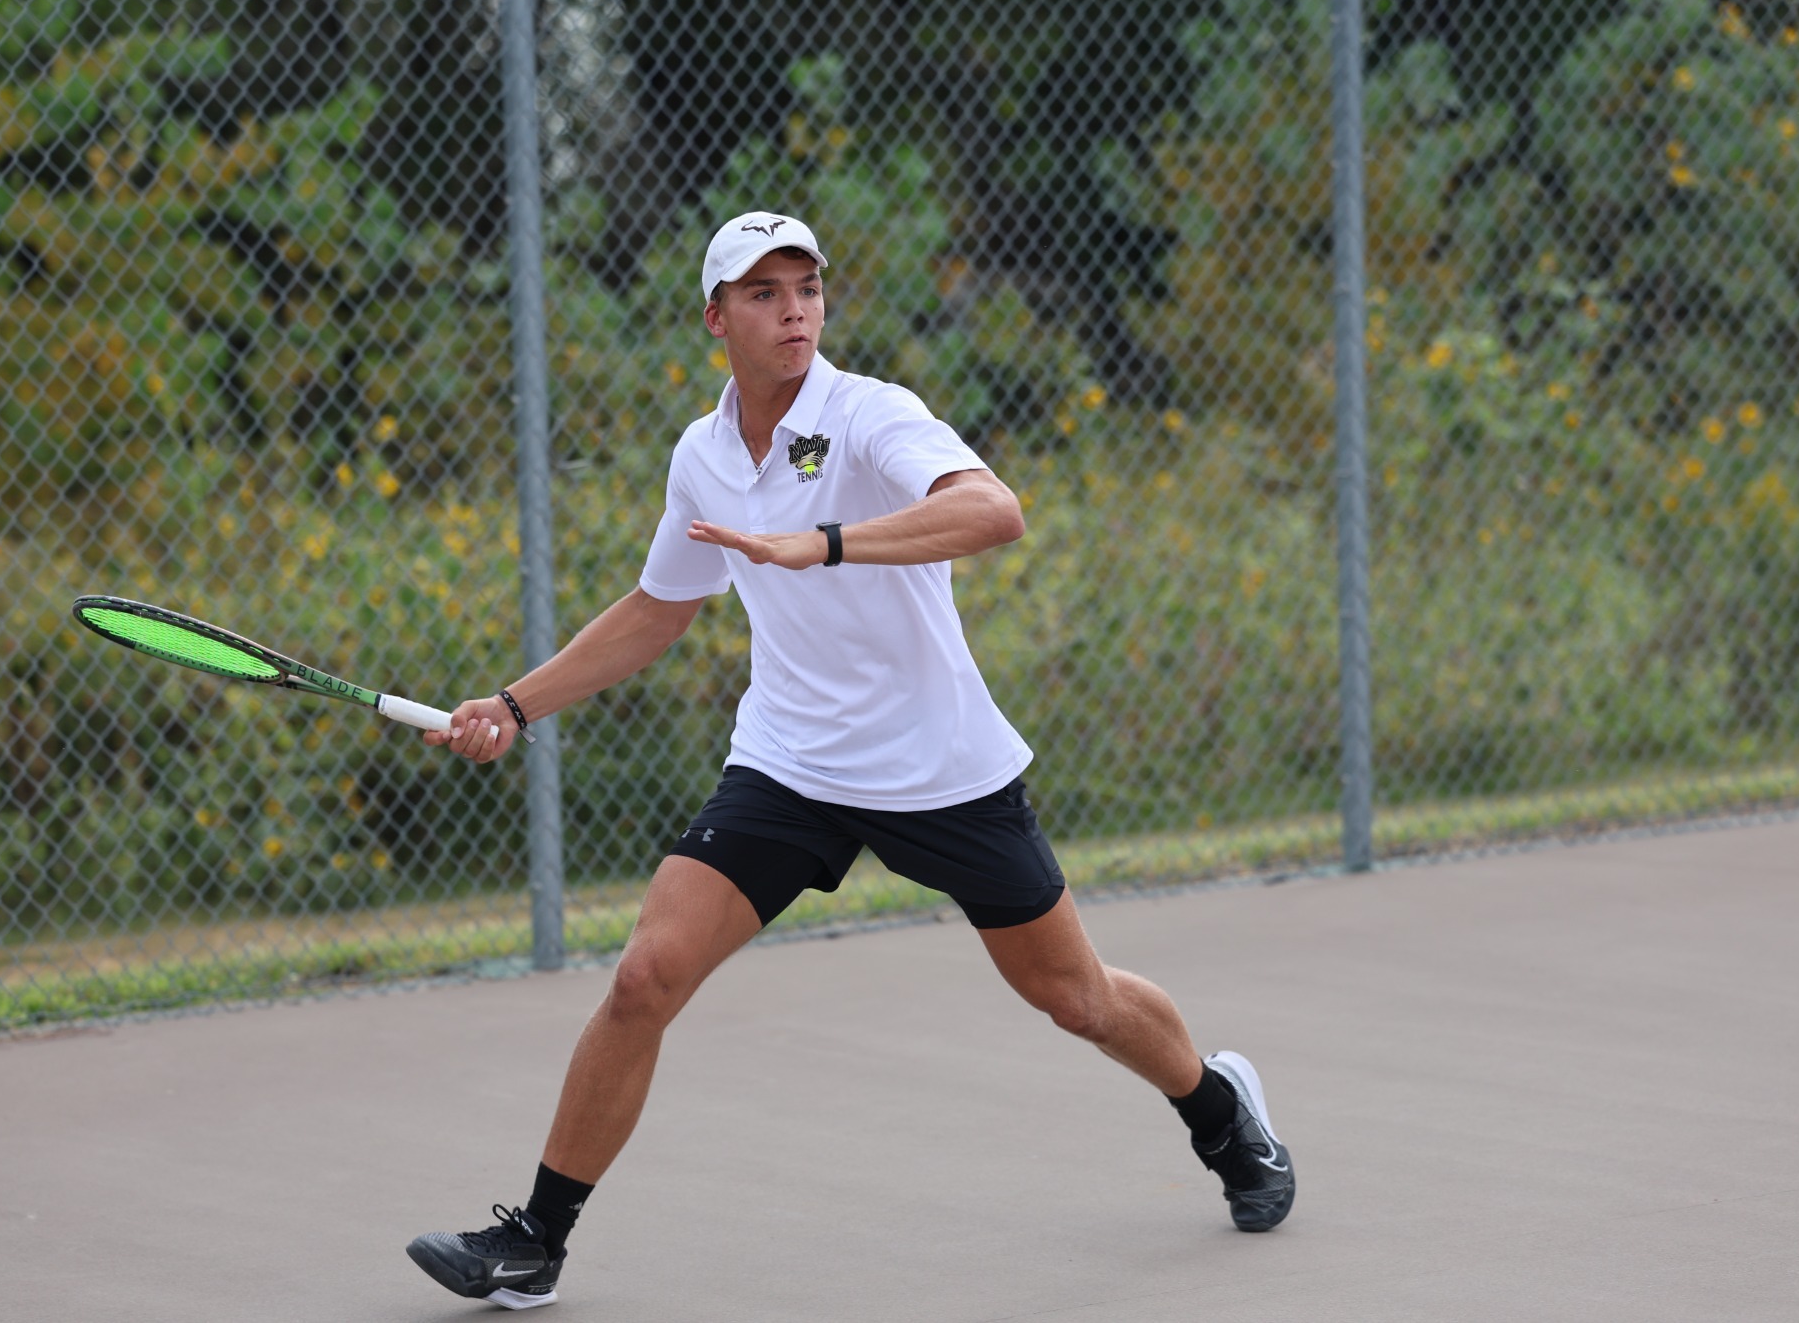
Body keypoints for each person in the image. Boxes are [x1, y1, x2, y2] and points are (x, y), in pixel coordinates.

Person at [404, 211, 1295, 1310]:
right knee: (644, 976)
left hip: (939, 769)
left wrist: (820, 542)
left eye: (807, 288)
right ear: (714, 316)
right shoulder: (702, 455)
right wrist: (510, 703)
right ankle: (535, 1240)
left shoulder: (870, 416)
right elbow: (656, 608)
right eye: (765, 292)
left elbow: (993, 511)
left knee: (1074, 997)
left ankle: (1218, 1110)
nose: (794, 311)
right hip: (789, 766)